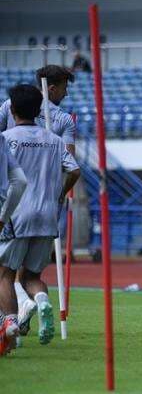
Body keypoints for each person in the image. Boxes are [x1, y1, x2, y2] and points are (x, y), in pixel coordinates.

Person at [0, 65, 77, 339]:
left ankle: (10, 325)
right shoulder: (55, 138)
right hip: (47, 213)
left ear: (12, 110)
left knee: (5, 274)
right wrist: (59, 193)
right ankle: (42, 301)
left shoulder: (5, 139)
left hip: (15, 213)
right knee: (31, 276)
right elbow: (75, 169)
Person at [0, 131, 28, 356]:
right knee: (5, 275)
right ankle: (9, 322)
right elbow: (19, 182)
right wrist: (3, 217)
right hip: (3, 216)